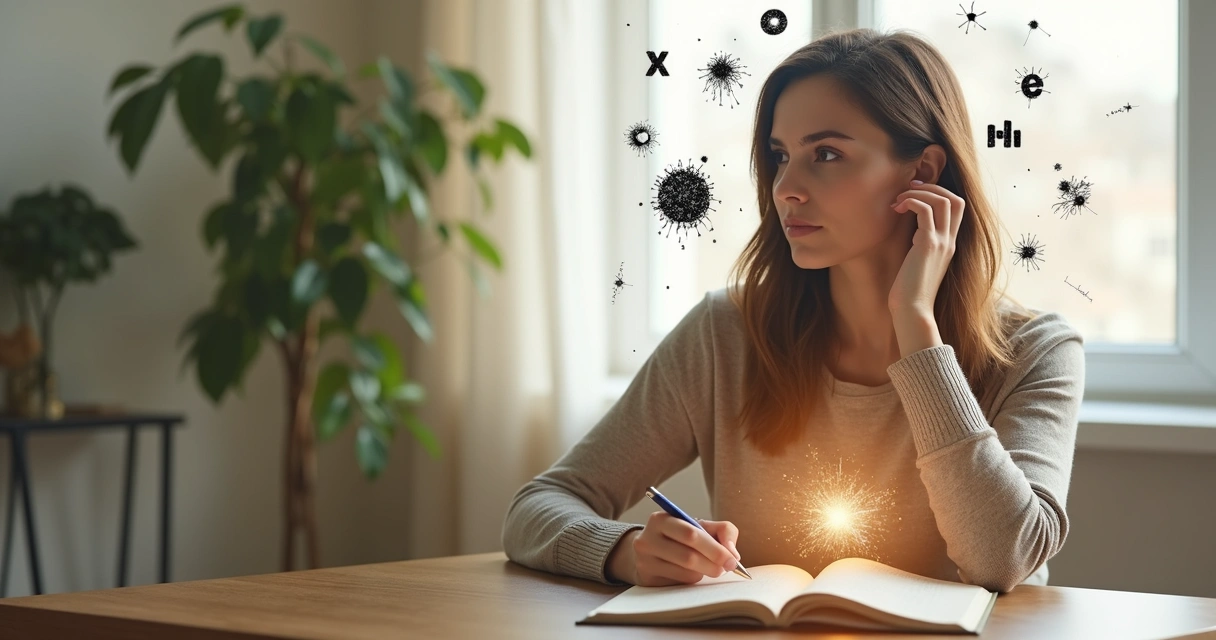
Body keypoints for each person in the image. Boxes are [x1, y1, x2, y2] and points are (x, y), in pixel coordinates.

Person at [501, 27, 1084, 594]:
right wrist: (627, 553)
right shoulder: (725, 333)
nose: (786, 187)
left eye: (826, 154)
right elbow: (536, 509)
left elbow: (1001, 558)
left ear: (922, 172)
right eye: (780, 155)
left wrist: (917, 326)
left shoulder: (1036, 352)